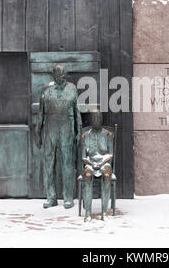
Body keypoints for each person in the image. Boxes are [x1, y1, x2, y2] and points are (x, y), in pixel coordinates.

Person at [35, 64, 82, 209]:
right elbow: (41, 112)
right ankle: (51, 197)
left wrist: (78, 129)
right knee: (49, 162)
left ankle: (68, 197)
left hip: (67, 126)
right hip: (50, 126)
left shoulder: (72, 88)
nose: (64, 77)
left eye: (65, 75)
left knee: (68, 162)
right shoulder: (46, 89)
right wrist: (38, 131)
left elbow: (76, 110)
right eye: (61, 75)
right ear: (54, 75)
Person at [80, 109, 114, 221]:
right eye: (94, 118)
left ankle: (104, 212)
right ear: (91, 120)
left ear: (101, 119)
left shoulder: (108, 134)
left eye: (98, 118)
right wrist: (91, 164)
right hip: (90, 164)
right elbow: (83, 157)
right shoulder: (85, 136)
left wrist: (101, 163)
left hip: (104, 163)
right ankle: (88, 212)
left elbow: (110, 154)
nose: (96, 120)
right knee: (87, 176)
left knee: (107, 176)